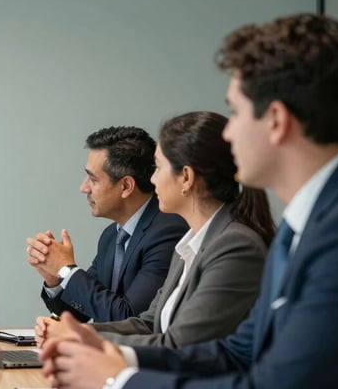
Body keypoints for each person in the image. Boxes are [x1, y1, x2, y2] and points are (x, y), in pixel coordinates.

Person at [40, 13, 338, 389]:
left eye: (236, 112)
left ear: (278, 121)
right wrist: (107, 353)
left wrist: (114, 383)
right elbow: (234, 353)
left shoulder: (331, 234)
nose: (227, 134)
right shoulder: (300, 228)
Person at [35, 112, 273, 348]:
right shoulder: (189, 244)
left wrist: (77, 334)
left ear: (186, 178)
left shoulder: (233, 246)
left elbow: (177, 344)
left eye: (157, 168)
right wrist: (74, 330)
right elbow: (149, 323)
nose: (152, 180)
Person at [26, 127, 188, 323]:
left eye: (93, 179)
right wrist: (55, 279)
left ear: (126, 186)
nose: (83, 187)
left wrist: (66, 269)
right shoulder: (111, 236)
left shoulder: (167, 232)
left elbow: (129, 319)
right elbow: (84, 311)